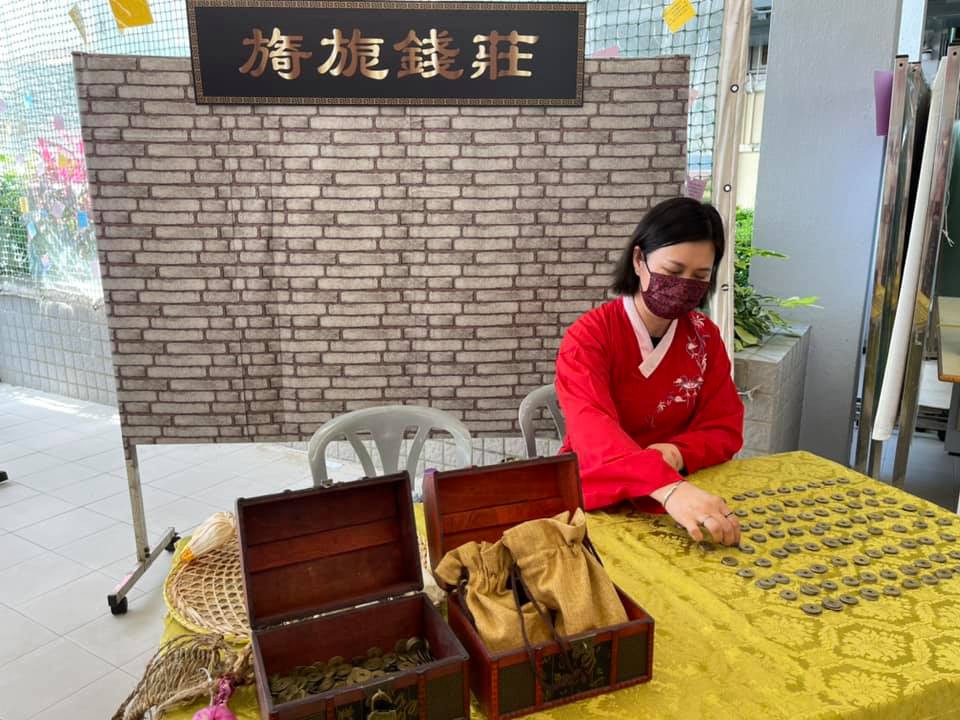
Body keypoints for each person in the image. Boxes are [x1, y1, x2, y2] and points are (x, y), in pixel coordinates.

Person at [555, 197, 744, 546]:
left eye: (700, 276)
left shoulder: (704, 337)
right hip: (604, 492)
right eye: (673, 271)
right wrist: (665, 485)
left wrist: (676, 452)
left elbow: (724, 426)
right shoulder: (589, 337)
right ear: (639, 260)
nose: (685, 284)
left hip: (683, 488)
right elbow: (593, 434)